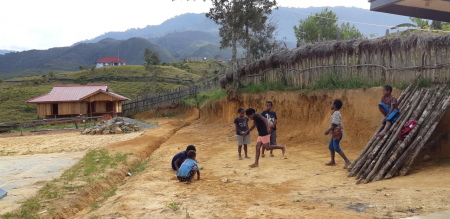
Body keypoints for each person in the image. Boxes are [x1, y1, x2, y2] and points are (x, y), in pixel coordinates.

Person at [324, 99, 351, 168]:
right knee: (331, 147)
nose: (331, 105)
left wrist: (328, 130)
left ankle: (347, 161)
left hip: (337, 132)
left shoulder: (336, 113)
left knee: (336, 148)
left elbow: (335, 125)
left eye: (332, 104)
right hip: (335, 132)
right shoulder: (336, 113)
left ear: (335, 105)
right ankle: (332, 161)